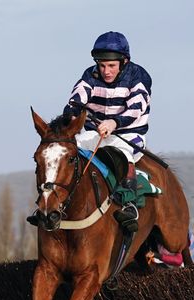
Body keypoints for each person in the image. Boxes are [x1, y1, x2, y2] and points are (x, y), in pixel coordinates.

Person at [62, 31, 152, 233]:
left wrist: (114, 122)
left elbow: (136, 107)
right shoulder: (89, 75)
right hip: (96, 133)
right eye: (102, 65)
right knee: (67, 151)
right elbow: (77, 99)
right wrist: (70, 116)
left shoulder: (138, 76)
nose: (106, 71)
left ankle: (130, 206)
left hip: (129, 135)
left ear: (124, 61)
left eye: (111, 66)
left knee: (123, 154)